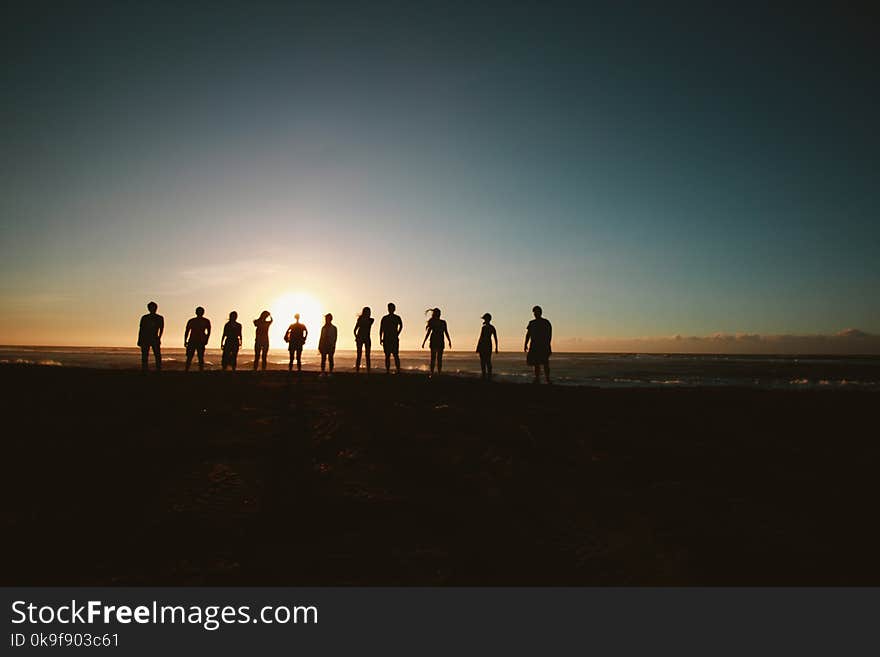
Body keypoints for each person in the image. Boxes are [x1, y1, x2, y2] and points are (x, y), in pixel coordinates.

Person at [524, 305, 552, 384]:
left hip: (543, 345)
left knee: (545, 362)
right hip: (534, 345)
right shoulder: (532, 323)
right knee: (536, 363)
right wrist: (525, 344)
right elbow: (528, 334)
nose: (535, 314)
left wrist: (547, 344)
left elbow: (549, 334)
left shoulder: (545, 322)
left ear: (540, 312)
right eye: (534, 312)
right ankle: (537, 378)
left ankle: (547, 379)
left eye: (536, 312)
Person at [421, 307, 451, 377]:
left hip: (440, 341)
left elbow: (446, 332)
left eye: (439, 313)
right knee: (434, 358)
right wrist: (424, 341)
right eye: (438, 313)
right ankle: (432, 373)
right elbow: (428, 332)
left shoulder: (443, 322)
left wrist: (449, 340)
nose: (439, 314)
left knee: (439, 358)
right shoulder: (433, 322)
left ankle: (438, 373)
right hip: (434, 341)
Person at [137, 301, 164, 372]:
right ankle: (145, 369)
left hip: (154, 337)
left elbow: (161, 329)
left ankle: (158, 369)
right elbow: (141, 329)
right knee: (145, 355)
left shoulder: (159, 318)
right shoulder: (145, 318)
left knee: (157, 355)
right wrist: (139, 339)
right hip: (146, 338)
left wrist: (159, 337)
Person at [184, 306, 211, 371]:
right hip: (193, 340)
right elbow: (187, 331)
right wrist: (185, 340)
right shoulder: (192, 321)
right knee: (191, 357)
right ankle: (188, 369)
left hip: (199, 340)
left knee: (199, 357)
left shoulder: (205, 321)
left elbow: (209, 331)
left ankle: (199, 370)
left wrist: (206, 339)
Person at [380, 302, 403, 374]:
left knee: (395, 355)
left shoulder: (396, 317)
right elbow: (381, 329)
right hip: (387, 338)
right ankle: (388, 370)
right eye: (389, 308)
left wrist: (398, 333)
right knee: (388, 355)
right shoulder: (385, 318)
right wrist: (380, 338)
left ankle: (397, 370)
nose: (390, 309)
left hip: (393, 338)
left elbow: (401, 325)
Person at [476, 312, 499, 380]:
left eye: (485, 319)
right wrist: (478, 346)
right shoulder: (486, 327)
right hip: (485, 345)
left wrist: (496, 347)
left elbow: (495, 338)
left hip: (487, 345)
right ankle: (485, 375)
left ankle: (488, 375)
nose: (484, 320)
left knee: (487, 361)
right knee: (484, 361)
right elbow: (481, 337)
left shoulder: (490, 328)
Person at [353, 306, 373, 373]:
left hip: (366, 338)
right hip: (361, 338)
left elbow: (355, 330)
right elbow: (355, 330)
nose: (369, 313)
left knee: (367, 355)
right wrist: (356, 337)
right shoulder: (364, 320)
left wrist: (356, 336)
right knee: (359, 354)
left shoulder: (370, 320)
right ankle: (358, 370)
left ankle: (368, 370)